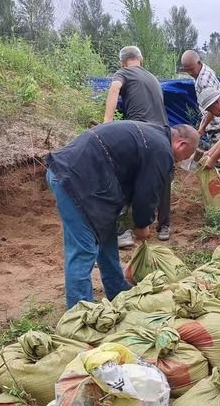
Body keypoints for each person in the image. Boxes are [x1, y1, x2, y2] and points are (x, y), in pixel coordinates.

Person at [46, 121, 198, 309]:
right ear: (181, 144)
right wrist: (142, 224)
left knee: (107, 236)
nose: (181, 161)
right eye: (186, 156)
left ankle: (116, 290)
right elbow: (147, 192)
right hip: (76, 180)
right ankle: (79, 313)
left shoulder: (154, 136)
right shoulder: (162, 150)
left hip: (86, 177)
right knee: (83, 249)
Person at [104, 46, 172, 244]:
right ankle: (164, 226)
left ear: (123, 62)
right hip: (163, 131)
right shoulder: (152, 77)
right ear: (140, 60)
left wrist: (107, 122)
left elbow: (115, 88)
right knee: (162, 176)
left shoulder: (123, 72)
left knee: (125, 175)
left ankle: (122, 231)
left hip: (140, 132)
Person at [180, 50, 220, 143]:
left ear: (199, 63)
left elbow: (212, 109)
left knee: (218, 154)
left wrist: (202, 128)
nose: (190, 73)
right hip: (215, 122)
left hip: (218, 125)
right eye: (187, 70)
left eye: (191, 69)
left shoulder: (204, 82)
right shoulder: (203, 69)